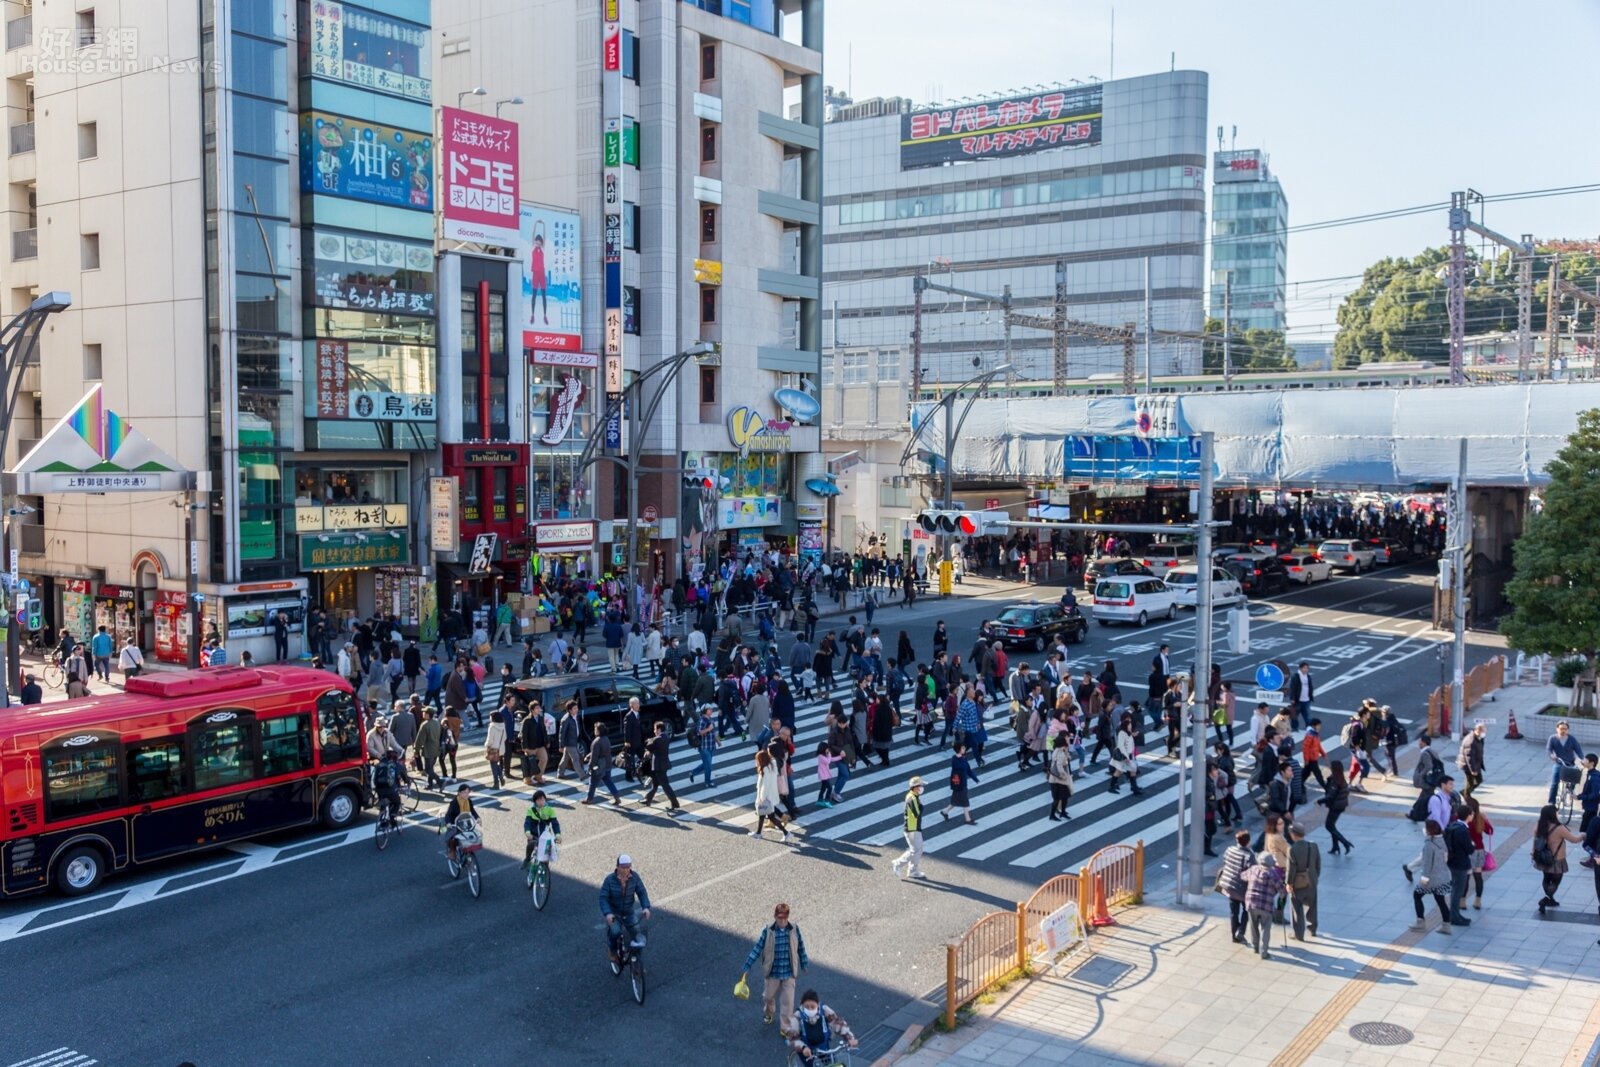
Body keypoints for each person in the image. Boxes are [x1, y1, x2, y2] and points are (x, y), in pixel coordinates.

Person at [741, 903, 810, 1026]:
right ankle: (769, 1011)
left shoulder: (794, 929)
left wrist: (804, 963)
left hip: (789, 973)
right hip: (773, 973)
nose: (782, 921)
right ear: (775, 916)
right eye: (780, 918)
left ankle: (786, 1027)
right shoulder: (768, 931)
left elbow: (800, 947)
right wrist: (747, 966)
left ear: (788, 917)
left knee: (788, 1002)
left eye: (785, 918)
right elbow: (757, 948)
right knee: (768, 997)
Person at [1534, 802, 1585, 914]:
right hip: (1557, 859)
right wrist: (1582, 835)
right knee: (1556, 881)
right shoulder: (1559, 828)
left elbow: (1535, 842)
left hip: (1543, 858)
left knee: (1546, 878)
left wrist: (1533, 854)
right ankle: (1546, 899)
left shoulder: (1539, 825)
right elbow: (1574, 839)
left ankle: (1550, 899)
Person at [1405, 818, 1454, 933]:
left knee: (1417, 895)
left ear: (1429, 831)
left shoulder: (1429, 845)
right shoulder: (1442, 840)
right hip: (1442, 877)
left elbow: (1427, 864)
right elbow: (1445, 858)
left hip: (1430, 878)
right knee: (1440, 900)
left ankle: (1420, 922)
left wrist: (1424, 879)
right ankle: (1446, 925)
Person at [598, 854, 652, 957]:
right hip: (615, 914)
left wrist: (646, 907)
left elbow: (641, 892)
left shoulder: (635, 877)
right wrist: (608, 913)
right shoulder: (609, 880)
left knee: (637, 934)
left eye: (628, 867)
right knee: (615, 932)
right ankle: (612, 949)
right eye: (624, 867)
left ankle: (637, 960)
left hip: (628, 912)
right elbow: (603, 898)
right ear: (617, 867)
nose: (626, 870)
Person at [785, 990, 859, 1064]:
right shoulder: (797, 1016)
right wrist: (803, 1047)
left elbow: (838, 1023)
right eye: (806, 1007)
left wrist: (849, 1038)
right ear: (802, 1005)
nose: (810, 1009)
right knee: (810, 1064)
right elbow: (792, 1038)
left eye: (812, 1007)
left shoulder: (824, 1010)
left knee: (831, 1063)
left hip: (823, 1047)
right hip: (807, 1049)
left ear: (817, 1004)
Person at [1215, 829, 1255, 944]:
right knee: (1247, 909)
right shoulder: (1249, 855)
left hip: (1229, 885)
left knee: (1234, 912)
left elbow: (1225, 861)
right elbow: (1251, 872)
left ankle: (1234, 935)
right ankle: (1241, 931)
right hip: (1242, 888)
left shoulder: (1229, 850)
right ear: (1248, 841)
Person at [1241, 852, 1284, 960]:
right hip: (1266, 905)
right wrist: (1281, 896)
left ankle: (1255, 947)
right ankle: (1264, 952)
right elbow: (1282, 890)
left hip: (1251, 903)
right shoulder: (1273, 874)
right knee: (1265, 928)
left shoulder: (1253, 869)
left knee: (1253, 925)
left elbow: (1242, 876)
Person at [1286, 823, 1321, 940]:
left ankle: (1299, 934)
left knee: (1297, 908)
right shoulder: (1313, 846)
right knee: (1312, 906)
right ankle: (1313, 929)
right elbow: (1318, 864)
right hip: (1312, 881)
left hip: (1298, 883)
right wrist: (1315, 877)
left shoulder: (1292, 849)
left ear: (1293, 835)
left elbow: (1291, 869)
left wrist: (1289, 883)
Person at [1443, 804, 1475, 927]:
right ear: (1468, 816)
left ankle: (1455, 914)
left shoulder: (1453, 826)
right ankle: (1454, 916)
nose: (1472, 816)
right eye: (1471, 814)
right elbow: (1469, 849)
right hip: (1460, 863)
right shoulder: (1462, 830)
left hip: (1452, 861)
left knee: (1456, 888)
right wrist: (1472, 845)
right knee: (1458, 890)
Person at [751, 748, 791, 842]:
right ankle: (758, 833)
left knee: (770, 817)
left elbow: (765, 785)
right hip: (771, 795)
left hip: (767, 797)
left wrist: (762, 798)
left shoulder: (765, 769)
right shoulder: (771, 766)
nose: (756, 762)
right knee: (763, 815)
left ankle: (786, 833)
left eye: (757, 759)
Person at [891, 776, 927, 879]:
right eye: (921, 786)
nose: (922, 788)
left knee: (918, 849)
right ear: (915, 787)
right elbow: (917, 813)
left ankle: (913, 870)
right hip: (912, 828)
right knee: (915, 850)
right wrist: (921, 805)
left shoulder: (913, 796)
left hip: (913, 827)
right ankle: (899, 863)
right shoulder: (912, 798)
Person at [1318, 760, 1355, 855]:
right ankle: (1335, 846)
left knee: (1329, 826)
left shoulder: (1335, 780)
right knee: (1332, 826)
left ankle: (1345, 843)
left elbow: (1331, 795)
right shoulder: (1340, 778)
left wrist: (1321, 801)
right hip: (1340, 805)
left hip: (1336, 806)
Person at [642, 720, 681, 811]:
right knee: (655, 784)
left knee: (665, 786)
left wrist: (649, 742)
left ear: (659, 729)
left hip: (659, 766)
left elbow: (647, 744)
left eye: (655, 729)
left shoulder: (657, 739)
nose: (654, 731)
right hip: (664, 764)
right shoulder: (666, 737)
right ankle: (648, 799)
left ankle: (675, 803)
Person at [582, 722, 622, 806]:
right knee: (608, 781)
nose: (594, 730)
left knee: (592, 782)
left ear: (599, 731)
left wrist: (590, 767)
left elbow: (594, 757)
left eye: (595, 729)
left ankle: (589, 799)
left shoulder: (596, 742)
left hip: (599, 766)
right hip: (608, 764)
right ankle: (617, 797)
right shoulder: (606, 739)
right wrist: (589, 755)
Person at [1547, 720, 1585, 805]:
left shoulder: (1572, 739)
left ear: (1568, 730)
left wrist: (1582, 759)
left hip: (1570, 763)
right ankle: (1551, 802)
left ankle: (1570, 789)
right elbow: (1549, 749)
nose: (1563, 731)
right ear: (1557, 729)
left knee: (1577, 774)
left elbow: (1578, 750)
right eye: (1561, 729)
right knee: (1554, 783)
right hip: (1559, 763)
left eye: (1565, 729)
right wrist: (1552, 755)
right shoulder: (1552, 738)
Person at [522, 789, 562, 869]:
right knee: (531, 844)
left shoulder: (550, 810)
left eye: (542, 799)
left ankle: (545, 869)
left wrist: (557, 835)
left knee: (547, 855)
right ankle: (527, 859)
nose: (541, 801)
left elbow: (555, 824)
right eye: (538, 800)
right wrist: (528, 833)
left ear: (545, 799)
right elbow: (527, 823)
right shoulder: (531, 810)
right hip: (534, 836)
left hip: (545, 837)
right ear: (535, 801)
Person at [940, 742, 978, 825]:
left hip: (963, 783)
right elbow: (960, 767)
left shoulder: (964, 758)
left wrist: (975, 778)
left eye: (964, 748)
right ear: (958, 749)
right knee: (964, 801)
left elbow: (968, 770)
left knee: (956, 800)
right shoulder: (955, 759)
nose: (964, 749)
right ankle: (967, 819)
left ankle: (945, 811)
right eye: (963, 748)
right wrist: (962, 759)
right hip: (958, 784)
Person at [441, 783, 479, 865]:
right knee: (452, 837)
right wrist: (448, 823)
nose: (466, 794)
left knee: (471, 835)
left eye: (467, 792)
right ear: (459, 793)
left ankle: (468, 853)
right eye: (464, 792)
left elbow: (472, 810)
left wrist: (477, 818)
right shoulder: (454, 803)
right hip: (455, 823)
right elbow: (448, 815)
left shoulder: (469, 801)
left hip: (465, 822)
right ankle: (452, 852)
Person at [414, 706, 444, 789]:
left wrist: (416, 751)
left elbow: (419, 740)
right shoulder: (437, 722)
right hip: (436, 748)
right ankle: (430, 785)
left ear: (428, 714)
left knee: (428, 769)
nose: (423, 713)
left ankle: (440, 781)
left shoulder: (425, 725)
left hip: (428, 750)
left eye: (424, 712)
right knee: (431, 768)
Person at [1046, 736, 1074, 821]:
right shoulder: (1061, 752)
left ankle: (1062, 812)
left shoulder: (1057, 750)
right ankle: (1054, 814)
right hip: (1059, 779)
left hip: (1054, 778)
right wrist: (1064, 775)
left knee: (1063, 796)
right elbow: (1059, 765)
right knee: (1059, 798)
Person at [1457, 721, 1486, 798]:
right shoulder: (1471, 741)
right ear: (1478, 730)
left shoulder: (1479, 738)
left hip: (1476, 764)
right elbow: (1469, 757)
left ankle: (1465, 793)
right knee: (1470, 782)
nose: (1484, 733)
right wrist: (1473, 770)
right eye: (1483, 731)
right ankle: (1466, 795)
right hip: (1468, 765)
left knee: (1479, 780)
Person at [1288, 661, 1314, 732]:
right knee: (1294, 715)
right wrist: (1292, 698)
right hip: (1297, 700)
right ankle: (1294, 728)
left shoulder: (1308, 676)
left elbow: (1310, 687)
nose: (1306, 669)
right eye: (1304, 668)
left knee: (1307, 716)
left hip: (1306, 700)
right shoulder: (1296, 676)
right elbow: (1293, 688)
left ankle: (1309, 728)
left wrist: (1311, 696)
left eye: (1307, 668)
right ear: (1300, 668)